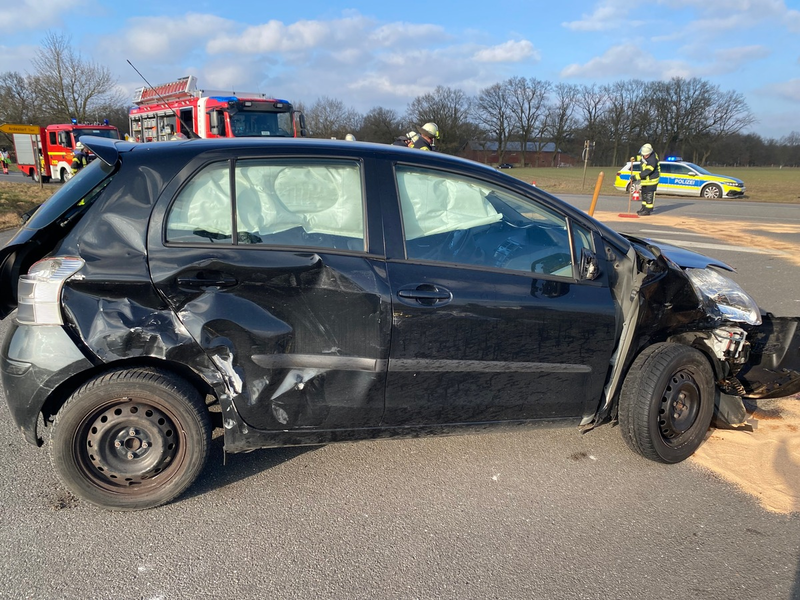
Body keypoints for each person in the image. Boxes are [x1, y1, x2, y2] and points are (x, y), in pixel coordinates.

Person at [631, 143, 660, 215]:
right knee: (644, 193)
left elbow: (647, 171)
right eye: (644, 154)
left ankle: (648, 210)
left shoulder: (652, 160)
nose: (645, 156)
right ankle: (643, 208)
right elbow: (641, 159)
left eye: (646, 155)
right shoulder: (645, 155)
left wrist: (636, 177)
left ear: (650, 152)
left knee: (649, 194)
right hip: (645, 179)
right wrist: (634, 159)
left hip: (652, 179)